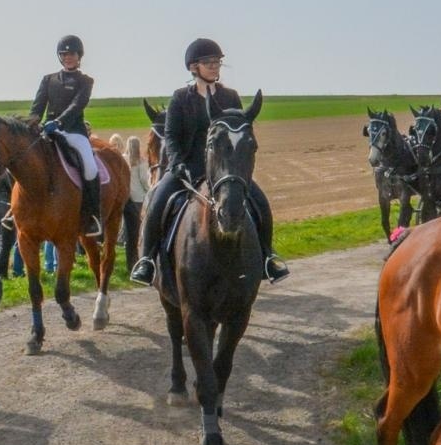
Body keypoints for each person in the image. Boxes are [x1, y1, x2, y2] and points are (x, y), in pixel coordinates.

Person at [129, 38, 289, 285]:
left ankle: (268, 257)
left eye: (217, 62)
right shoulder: (180, 98)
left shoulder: (230, 97)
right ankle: (147, 261)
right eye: (209, 62)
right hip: (187, 168)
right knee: (158, 200)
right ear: (194, 67)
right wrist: (177, 162)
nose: (215, 66)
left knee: (259, 202)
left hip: (224, 170)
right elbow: (171, 136)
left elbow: (240, 133)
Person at [30, 34, 102, 239]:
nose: (68, 57)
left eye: (72, 54)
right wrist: (31, 125)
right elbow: (37, 107)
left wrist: (59, 122)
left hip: (73, 132)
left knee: (90, 166)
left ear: (79, 56)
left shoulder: (86, 81)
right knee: (24, 155)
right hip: (48, 131)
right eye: (64, 54)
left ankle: (92, 215)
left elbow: (77, 105)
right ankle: (13, 207)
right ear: (59, 57)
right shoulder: (48, 79)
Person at [123, 135, 150, 269]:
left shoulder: (123, 158)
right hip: (139, 198)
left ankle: (129, 263)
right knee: (139, 232)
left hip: (126, 198)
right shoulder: (141, 161)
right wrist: (149, 190)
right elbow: (144, 180)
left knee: (129, 232)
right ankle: (138, 261)